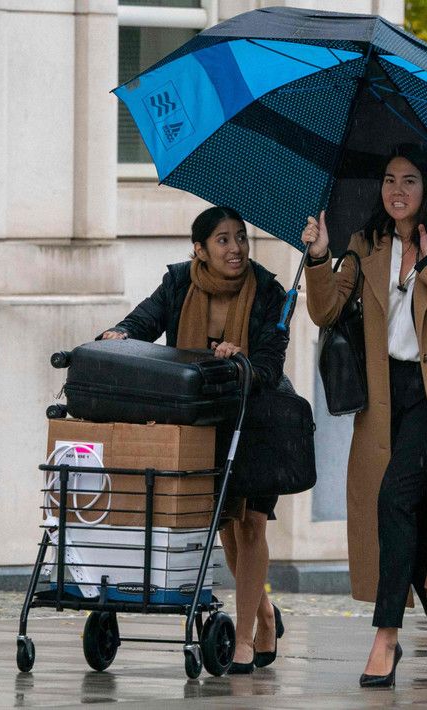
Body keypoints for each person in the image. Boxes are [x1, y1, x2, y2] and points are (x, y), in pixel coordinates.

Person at [300, 143, 427, 687]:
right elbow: (325, 310)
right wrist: (320, 257)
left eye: (409, 180)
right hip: (384, 399)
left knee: (395, 500)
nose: (397, 191)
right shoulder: (367, 243)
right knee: (413, 519)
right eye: (389, 179)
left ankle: (386, 637)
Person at [99, 206, 289, 674]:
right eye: (223, 240)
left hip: (256, 417)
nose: (236, 248)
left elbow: (271, 364)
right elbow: (143, 324)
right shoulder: (178, 283)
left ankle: (244, 638)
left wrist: (241, 361)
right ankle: (264, 611)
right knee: (224, 524)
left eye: (241, 237)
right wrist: (119, 335)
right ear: (199, 249)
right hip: (201, 421)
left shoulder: (269, 291)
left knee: (251, 525)